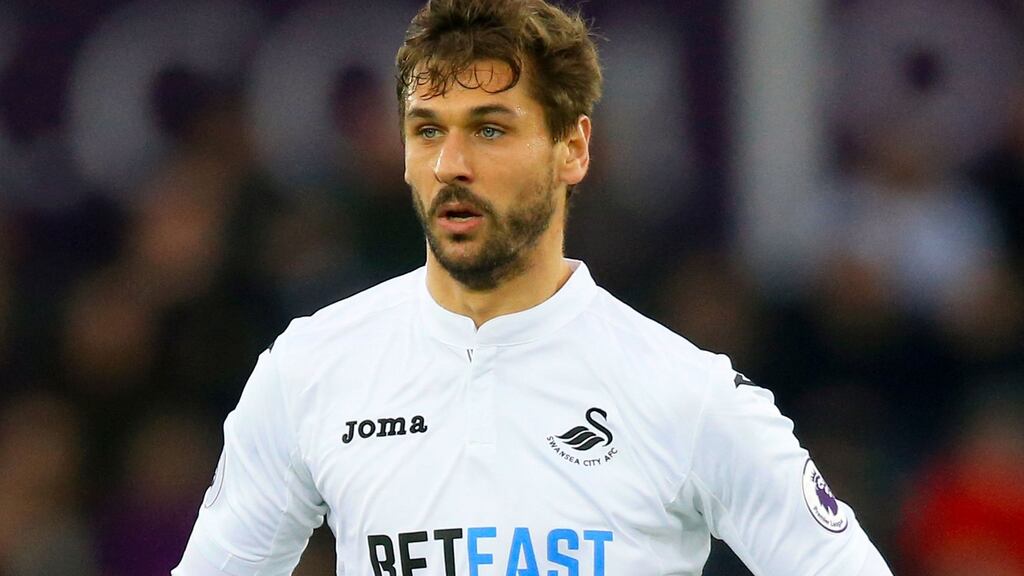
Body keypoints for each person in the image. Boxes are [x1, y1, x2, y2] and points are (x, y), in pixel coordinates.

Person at [173, 0, 893, 574]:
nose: (451, 162)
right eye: (427, 131)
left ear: (573, 149)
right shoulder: (311, 368)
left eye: (490, 130)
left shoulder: (687, 395)